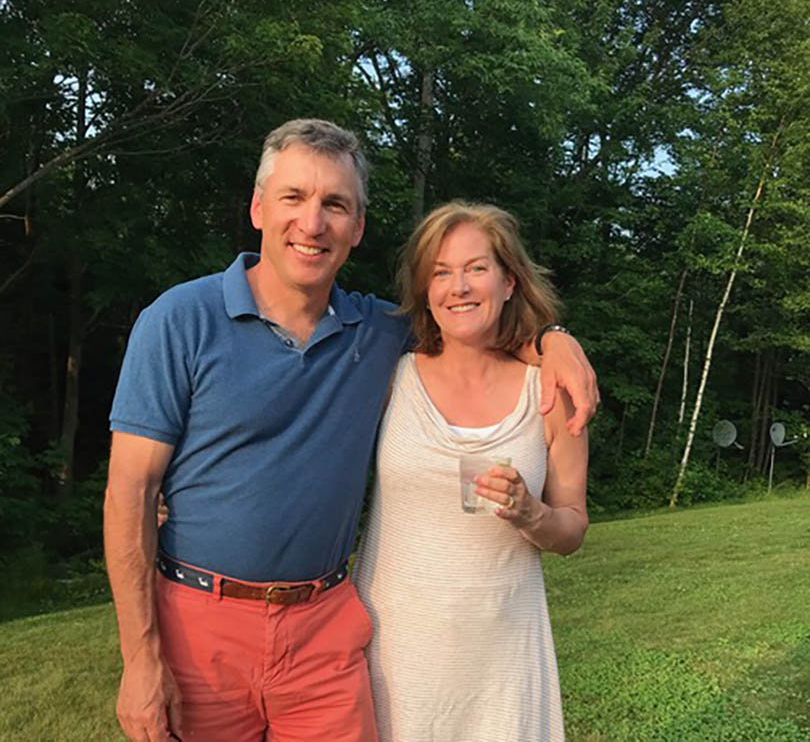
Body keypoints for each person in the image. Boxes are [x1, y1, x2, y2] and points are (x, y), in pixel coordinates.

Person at [104, 119, 597, 742]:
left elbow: (469, 327)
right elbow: (129, 494)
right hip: (200, 624)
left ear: (357, 227)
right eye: (294, 198)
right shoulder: (179, 320)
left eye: (334, 204)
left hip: (326, 629)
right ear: (258, 207)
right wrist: (141, 659)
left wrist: (555, 340)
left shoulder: (376, 332)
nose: (312, 223)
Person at [353, 201, 589, 741]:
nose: (458, 286)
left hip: (504, 663)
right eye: (441, 272)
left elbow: (573, 528)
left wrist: (532, 513)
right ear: (425, 291)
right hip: (396, 659)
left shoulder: (552, 393)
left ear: (509, 281)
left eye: (476, 268)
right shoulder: (391, 375)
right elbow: (311, 447)